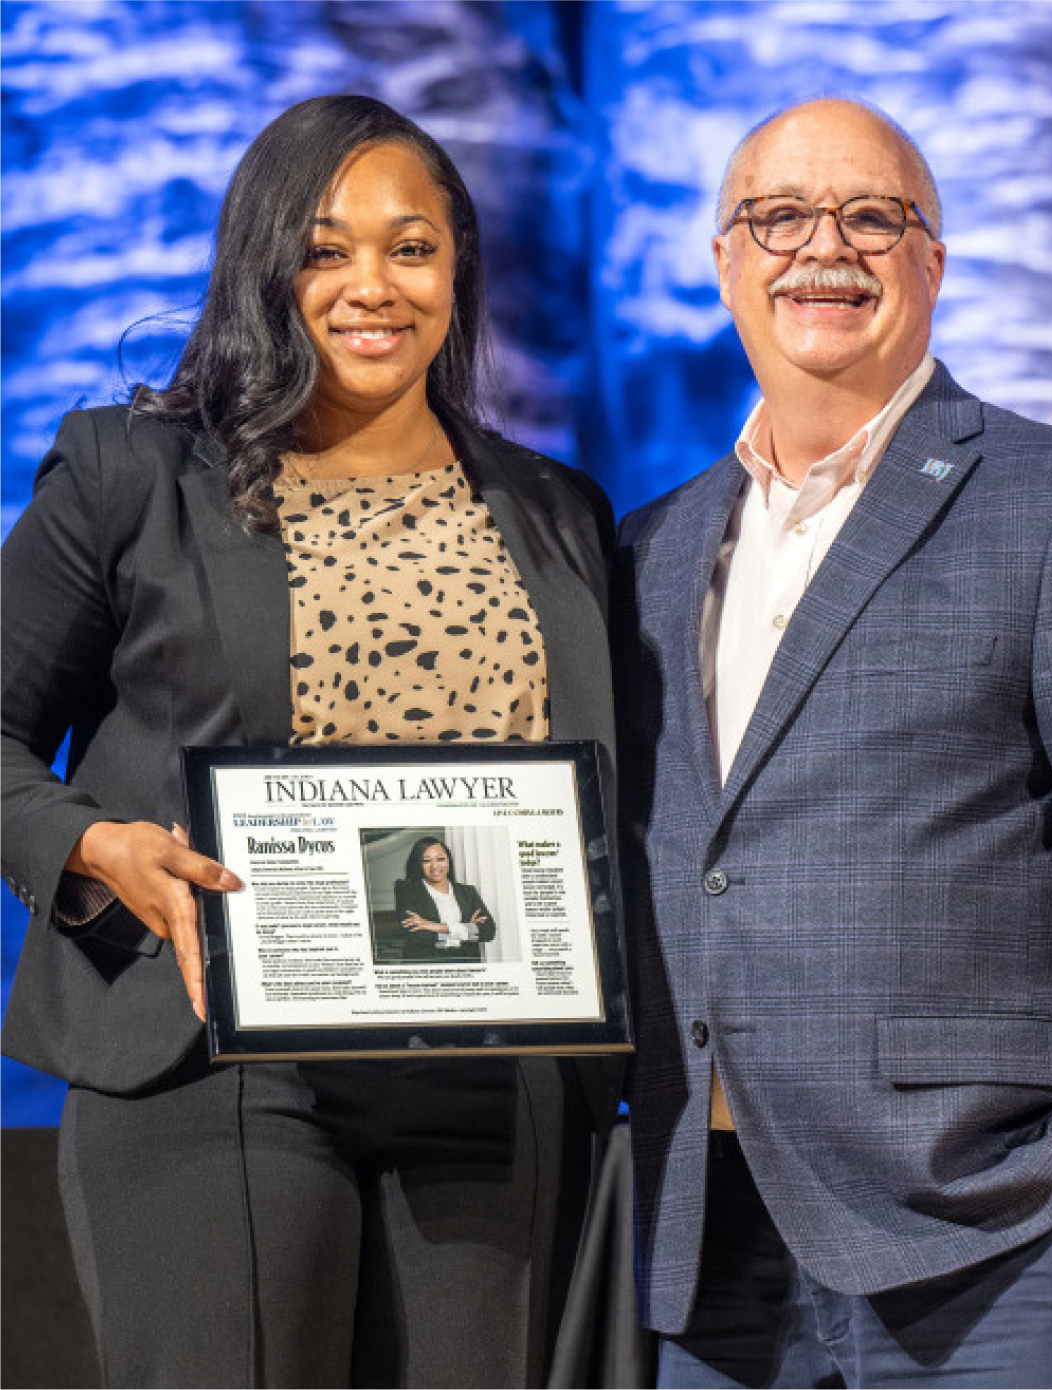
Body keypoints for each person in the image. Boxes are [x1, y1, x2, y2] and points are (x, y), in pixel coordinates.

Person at [0, 95, 620, 1390]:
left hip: (491, 1080)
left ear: (458, 268)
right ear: (261, 263)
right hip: (216, 1049)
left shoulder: (556, 512)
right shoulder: (134, 472)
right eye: (325, 247)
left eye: (412, 246)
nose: (370, 285)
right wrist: (93, 844)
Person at [615, 96, 1052, 1389]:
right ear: (723, 260)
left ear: (934, 260)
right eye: (778, 216)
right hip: (707, 1250)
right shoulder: (646, 547)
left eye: (874, 215)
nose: (826, 245)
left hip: (998, 1242)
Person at [390, 836, 496, 963]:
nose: (435, 866)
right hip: (427, 965)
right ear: (418, 864)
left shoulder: (468, 892)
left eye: (440, 859)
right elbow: (415, 935)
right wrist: (467, 930)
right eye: (426, 861)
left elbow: (489, 930)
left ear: (448, 861)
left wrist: (435, 926)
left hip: (465, 963)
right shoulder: (406, 891)